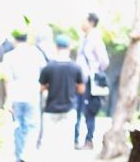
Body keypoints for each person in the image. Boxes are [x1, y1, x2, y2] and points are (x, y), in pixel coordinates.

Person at [0, 31, 47, 162]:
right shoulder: (36, 53)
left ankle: (19, 158)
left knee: (18, 127)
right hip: (33, 93)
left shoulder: (9, 56)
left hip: (16, 94)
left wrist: (8, 100)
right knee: (32, 127)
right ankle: (28, 154)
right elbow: (44, 73)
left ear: (14, 40)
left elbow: (7, 80)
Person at [39, 35, 84, 153]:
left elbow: (41, 88)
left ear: (56, 47)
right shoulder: (76, 68)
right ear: (69, 47)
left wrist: (50, 85)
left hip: (51, 109)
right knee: (66, 144)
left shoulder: (48, 67)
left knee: (48, 143)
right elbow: (81, 90)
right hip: (69, 109)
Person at [74, 12, 110, 150]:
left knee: (89, 110)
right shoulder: (84, 37)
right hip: (80, 79)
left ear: (90, 22)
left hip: (89, 80)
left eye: (84, 20)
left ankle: (89, 140)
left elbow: (104, 61)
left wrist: (94, 71)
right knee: (77, 108)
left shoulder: (95, 38)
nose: (82, 23)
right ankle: (76, 139)